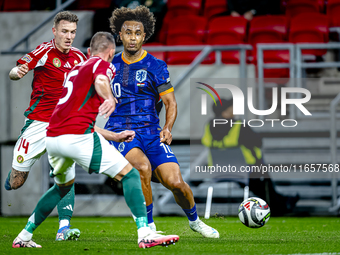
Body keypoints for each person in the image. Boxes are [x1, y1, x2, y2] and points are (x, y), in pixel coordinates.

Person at [12, 31, 179, 249]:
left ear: (88, 51)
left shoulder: (74, 70)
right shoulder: (105, 65)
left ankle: (24, 236)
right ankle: (145, 233)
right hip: (76, 138)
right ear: (111, 52)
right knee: (130, 175)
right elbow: (101, 79)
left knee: (61, 188)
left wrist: (114, 136)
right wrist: (109, 96)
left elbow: (80, 118)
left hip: (52, 138)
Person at [104, 6, 219, 238]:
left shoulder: (156, 66)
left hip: (151, 133)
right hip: (121, 131)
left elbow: (170, 103)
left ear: (144, 36)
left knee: (175, 182)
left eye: (138, 33)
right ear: (120, 35)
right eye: (128, 32)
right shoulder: (109, 65)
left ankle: (195, 221)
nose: (133, 37)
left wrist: (167, 128)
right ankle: (148, 227)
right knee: (142, 168)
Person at [5, 11, 87, 241]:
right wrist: (17, 72)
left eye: (72, 32)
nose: (69, 36)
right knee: (16, 182)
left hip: (64, 124)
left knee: (65, 176)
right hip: (38, 123)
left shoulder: (79, 57)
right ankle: (12, 173)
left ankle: (63, 228)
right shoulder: (44, 51)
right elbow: (15, 70)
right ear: (54, 31)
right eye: (64, 31)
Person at [201, 98, 299, 216]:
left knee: (259, 182)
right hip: (245, 171)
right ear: (224, 112)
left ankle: (281, 202)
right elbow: (258, 142)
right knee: (262, 177)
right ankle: (280, 205)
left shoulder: (209, 127)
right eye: (230, 107)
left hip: (218, 171)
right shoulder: (238, 126)